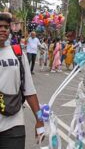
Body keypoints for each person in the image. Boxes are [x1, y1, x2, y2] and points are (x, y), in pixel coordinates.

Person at [0, 12, 44, 148]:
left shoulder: (17, 53)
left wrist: (40, 120)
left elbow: (29, 90)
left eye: (6, 27)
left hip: (13, 123)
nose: (3, 29)